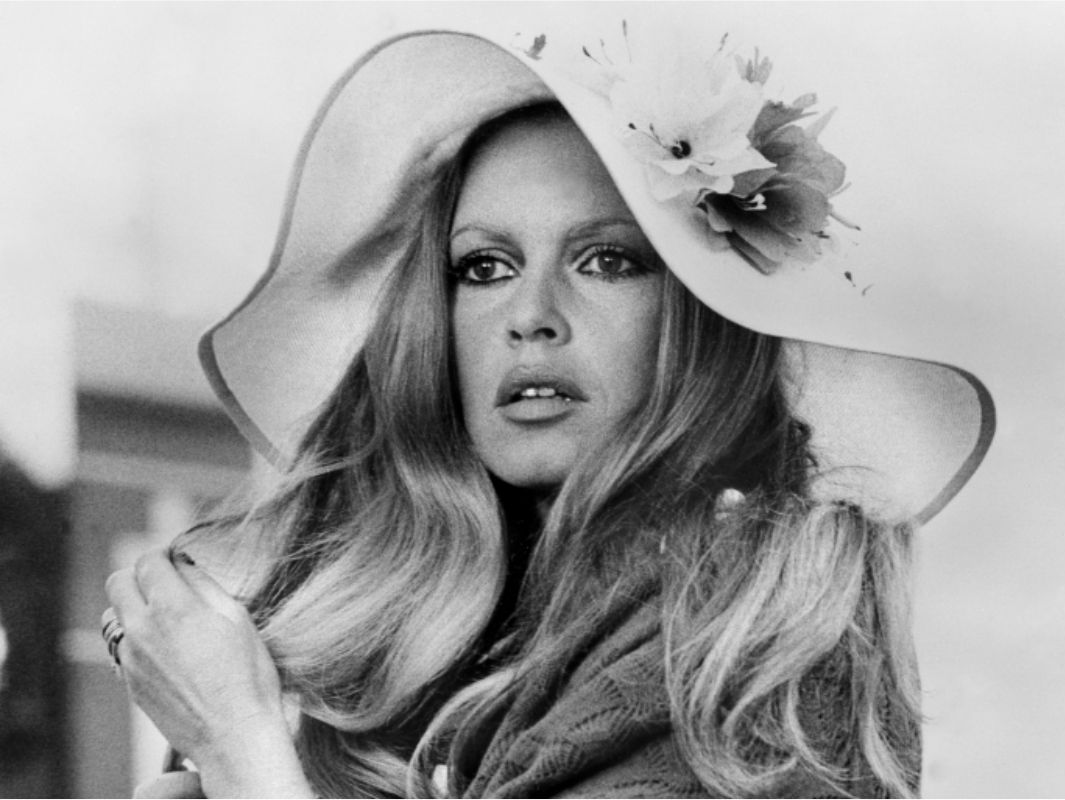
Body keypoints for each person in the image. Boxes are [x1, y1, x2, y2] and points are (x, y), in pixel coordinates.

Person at [103, 26, 994, 799]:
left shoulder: (765, 623)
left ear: (705, 323)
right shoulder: (451, 641)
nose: (530, 315)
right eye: (484, 267)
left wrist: (242, 748)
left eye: (607, 261)